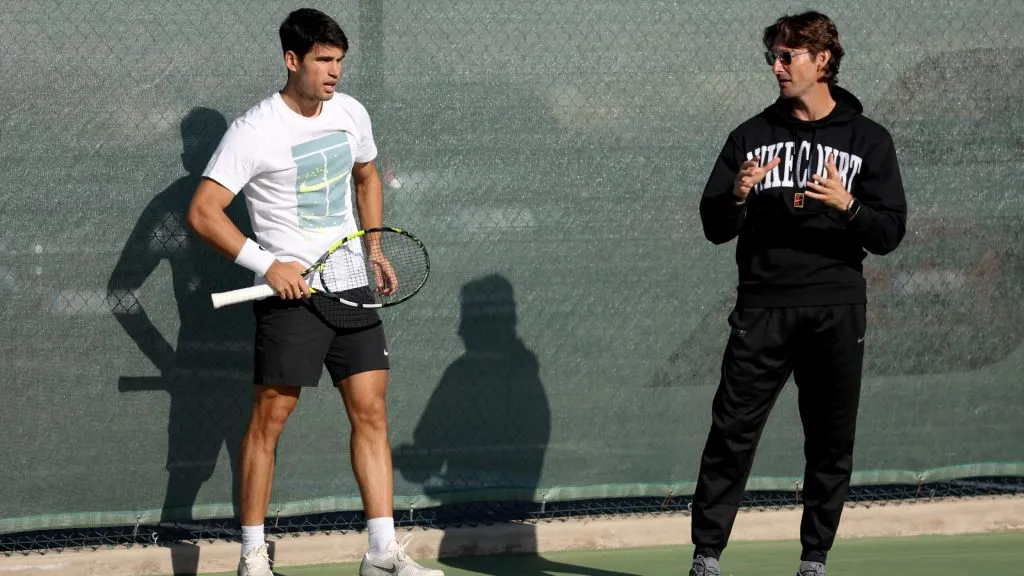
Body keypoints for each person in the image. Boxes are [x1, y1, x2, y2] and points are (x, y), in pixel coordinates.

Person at [187, 8, 442, 576]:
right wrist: (266, 263)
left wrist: (373, 249)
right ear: (292, 60)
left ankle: (381, 553)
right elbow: (203, 213)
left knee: (371, 411)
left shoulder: (351, 113)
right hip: (291, 298)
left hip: (350, 287)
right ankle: (253, 555)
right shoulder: (254, 130)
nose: (334, 73)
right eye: (323, 61)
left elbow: (367, 175)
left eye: (339, 62)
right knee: (269, 421)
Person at [690, 11, 907, 576]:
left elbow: (889, 233)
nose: (778, 68)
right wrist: (736, 195)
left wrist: (847, 205)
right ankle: (706, 556)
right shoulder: (750, 136)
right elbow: (714, 226)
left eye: (788, 57)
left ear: (823, 60)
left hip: (836, 308)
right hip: (762, 308)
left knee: (831, 439)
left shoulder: (869, 140)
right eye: (774, 58)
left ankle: (814, 559)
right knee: (731, 433)